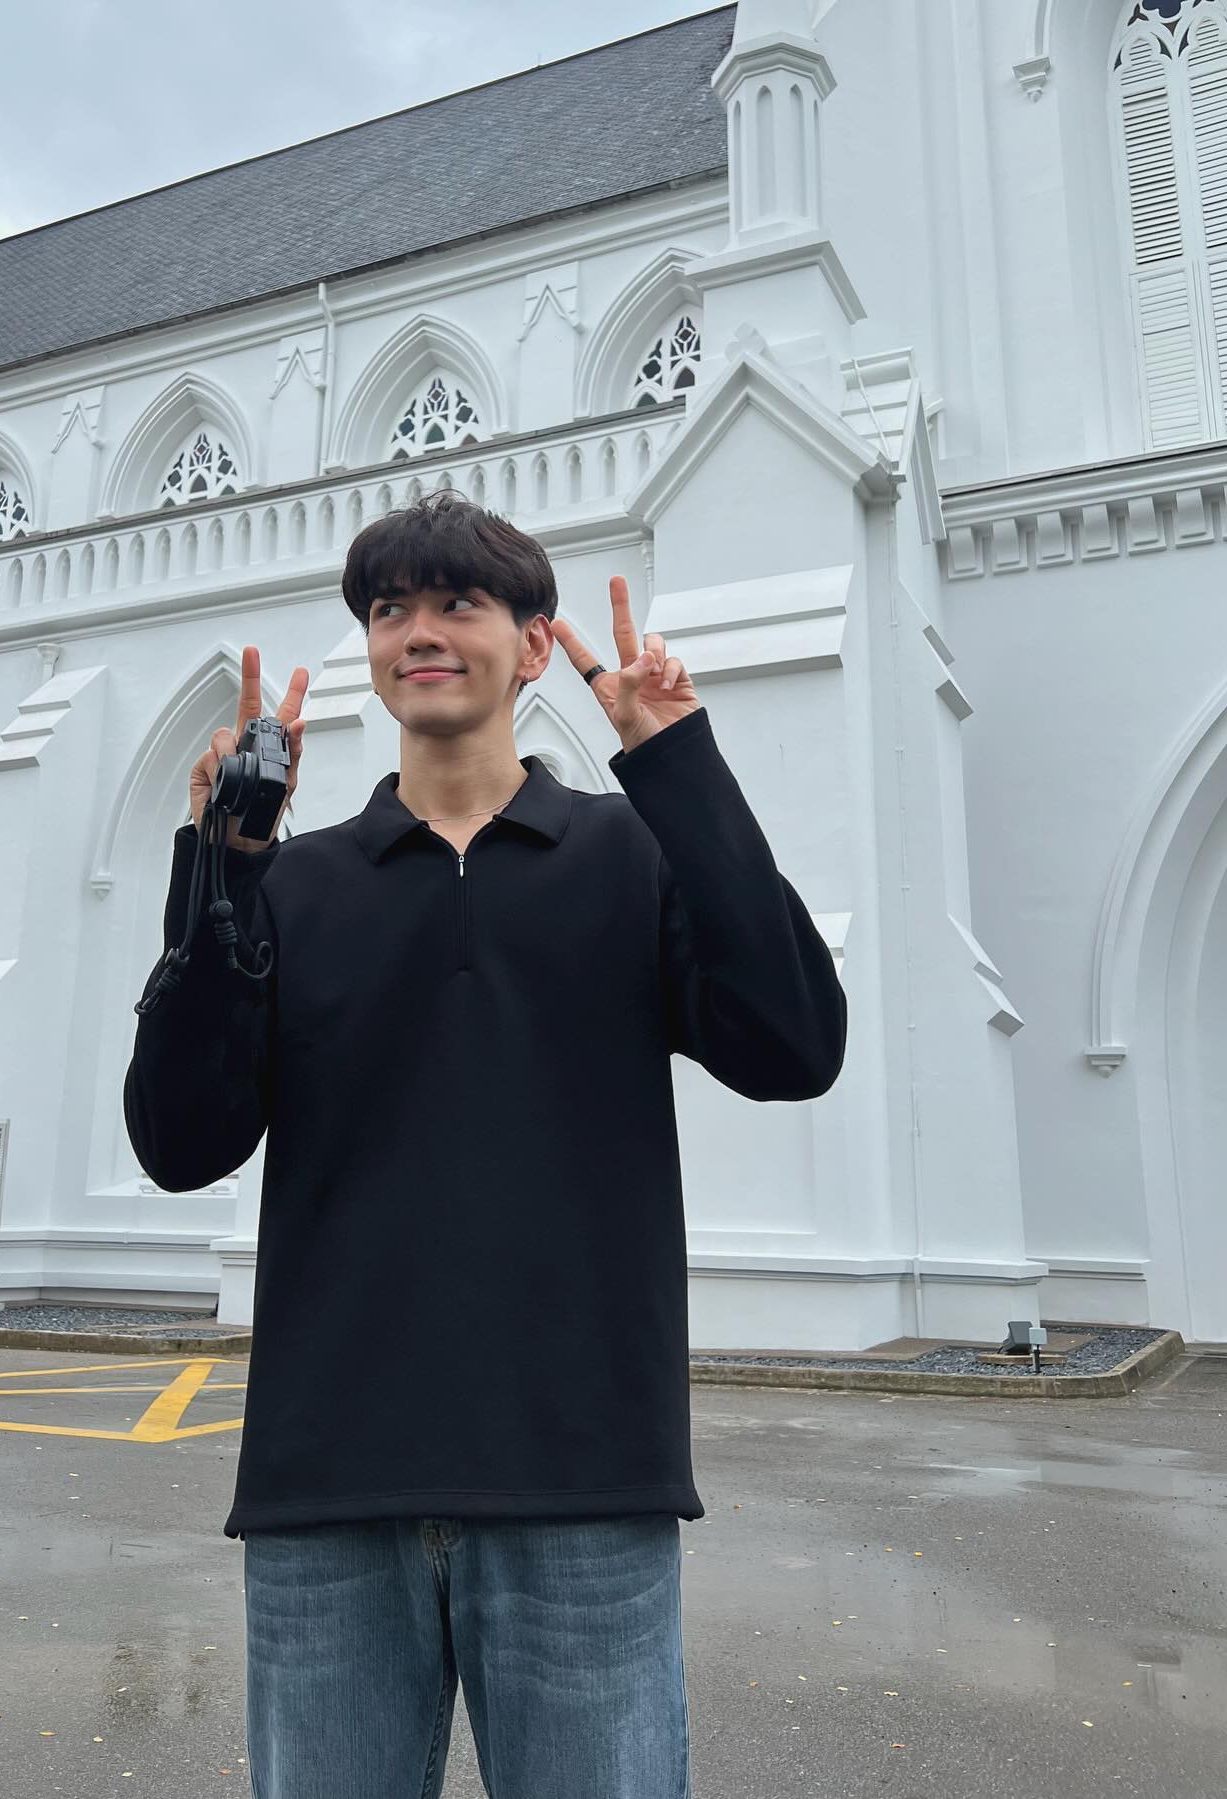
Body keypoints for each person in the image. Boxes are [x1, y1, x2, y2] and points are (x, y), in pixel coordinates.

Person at [123, 490, 848, 1799]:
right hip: (329, 1486)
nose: (419, 631)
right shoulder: (296, 885)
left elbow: (795, 1046)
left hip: (585, 1481)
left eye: (459, 602)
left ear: (533, 644)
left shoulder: (633, 857)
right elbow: (181, 1139)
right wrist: (219, 865)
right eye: (389, 608)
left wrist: (682, 770)